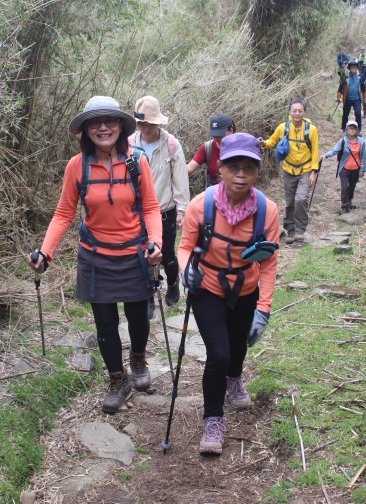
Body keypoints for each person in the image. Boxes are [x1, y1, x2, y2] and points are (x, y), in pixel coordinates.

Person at [28, 96, 162, 414]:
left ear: (120, 125)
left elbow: (151, 207)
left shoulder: (136, 161)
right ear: (86, 130)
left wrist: (156, 242)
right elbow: (63, 213)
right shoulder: (77, 167)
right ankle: (118, 380)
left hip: (134, 253)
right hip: (95, 255)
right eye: (95, 123)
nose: (103, 127)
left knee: (138, 317)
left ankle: (138, 358)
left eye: (109, 121)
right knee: (105, 322)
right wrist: (45, 253)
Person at [178, 133, 279, 455]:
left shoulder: (267, 211)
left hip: (246, 289)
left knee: (238, 346)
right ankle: (213, 420)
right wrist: (186, 271)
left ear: (257, 172)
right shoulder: (201, 206)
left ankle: (235, 378)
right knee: (218, 354)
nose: (240, 175)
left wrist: (263, 308)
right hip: (207, 287)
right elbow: (184, 247)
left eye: (248, 168)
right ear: (219, 169)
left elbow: (269, 263)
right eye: (233, 167)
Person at [129, 95, 190, 308]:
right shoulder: (129, 144)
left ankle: (173, 282)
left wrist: (182, 209)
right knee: (141, 255)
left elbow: (180, 178)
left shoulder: (171, 145)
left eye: (149, 123)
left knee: (167, 256)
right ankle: (148, 296)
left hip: (165, 210)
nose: (145, 127)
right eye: (141, 123)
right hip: (136, 211)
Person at [260, 98, 319, 244]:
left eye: (300, 111)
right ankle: (290, 230)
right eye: (294, 111)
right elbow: (272, 141)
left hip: (305, 170)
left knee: (300, 199)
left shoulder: (311, 130)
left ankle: (300, 229)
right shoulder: (283, 128)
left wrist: (313, 172)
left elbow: (315, 152)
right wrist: (262, 143)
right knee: (289, 202)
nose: (297, 113)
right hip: (288, 170)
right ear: (289, 112)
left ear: (304, 112)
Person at [321, 119, 366, 214]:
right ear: (346, 129)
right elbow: (334, 150)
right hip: (344, 169)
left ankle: (349, 201)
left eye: (354, 128)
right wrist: (325, 155)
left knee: (352, 186)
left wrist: (362, 169)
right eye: (350, 128)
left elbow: (363, 156)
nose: (352, 130)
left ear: (357, 130)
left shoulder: (361, 142)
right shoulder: (343, 141)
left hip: (355, 169)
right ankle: (344, 206)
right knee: (344, 187)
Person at [187, 114, 234, 188]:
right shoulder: (208, 147)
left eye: (221, 135)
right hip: (214, 194)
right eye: (215, 135)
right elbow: (189, 168)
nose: (217, 138)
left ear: (231, 130)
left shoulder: (240, 148)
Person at [338, 59, 365, 133]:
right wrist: (339, 97)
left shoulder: (360, 78)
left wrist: (364, 97)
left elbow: (363, 88)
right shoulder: (346, 78)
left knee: (358, 113)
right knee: (345, 114)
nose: (353, 69)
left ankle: (358, 130)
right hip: (347, 99)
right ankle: (344, 128)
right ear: (349, 69)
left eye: (355, 67)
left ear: (357, 68)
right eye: (352, 67)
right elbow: (340, 89)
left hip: (357, 99)